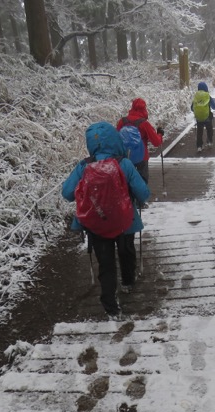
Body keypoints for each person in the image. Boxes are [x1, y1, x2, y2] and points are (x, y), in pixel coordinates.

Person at [62, 121, 150, 318]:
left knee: (106, 263)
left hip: (96, 223)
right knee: (126, 252)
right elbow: (143, 193)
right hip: (124, 220)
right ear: (114, 139)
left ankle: (111, 306)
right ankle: (128, 282)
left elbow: (67, 193)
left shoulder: (84, 166)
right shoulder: (124, 164)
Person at [116, 98, 164, 183]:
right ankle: (141, 195)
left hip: (126, 156)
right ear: (144, 109)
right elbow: (156, 142)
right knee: (142, 182)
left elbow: (116, 138)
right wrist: (160, 134)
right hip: (141, 157)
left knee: (126, 180)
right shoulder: (144, 123)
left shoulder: (122, 121)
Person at [191, 81, 215, 154]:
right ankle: (209, 142)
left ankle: (199, 146)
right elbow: (213, 106)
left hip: (199, 118)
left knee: (199, 132)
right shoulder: (207, 96)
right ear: (206, 88)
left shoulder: (196, 96)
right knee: (209, 129)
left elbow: (192, 108)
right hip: (207, 117)